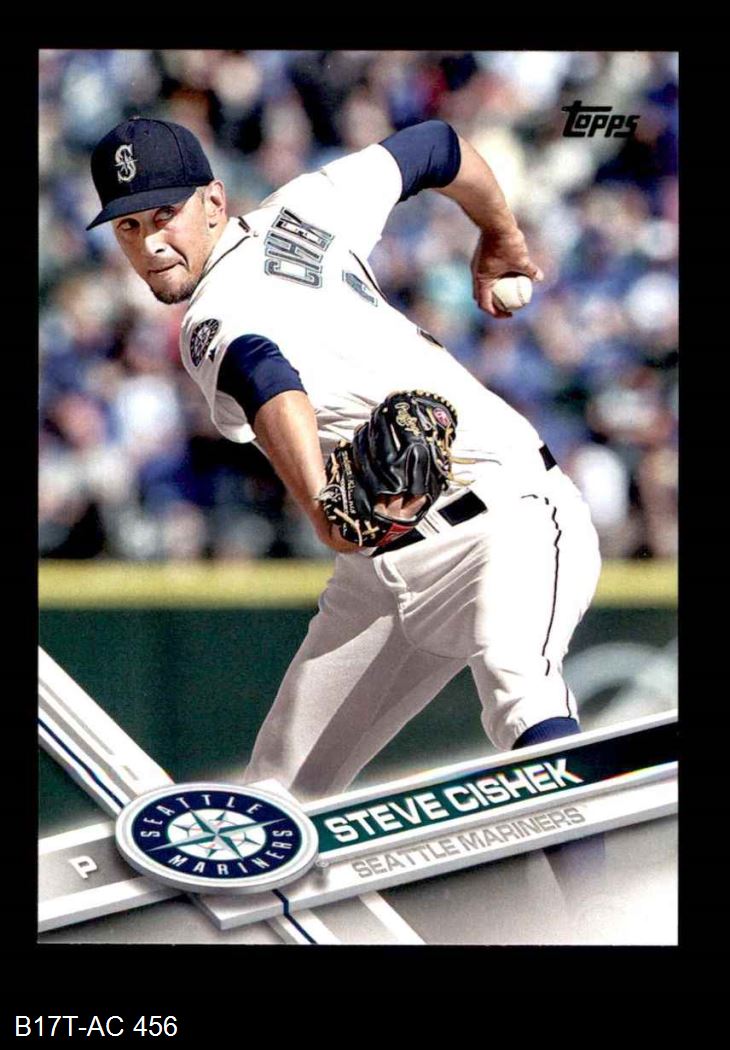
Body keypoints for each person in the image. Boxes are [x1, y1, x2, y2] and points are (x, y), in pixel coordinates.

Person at [87, 116, 604, 903]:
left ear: (214, 202)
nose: (152, 242)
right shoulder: (313, 204)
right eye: (130, 227)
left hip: (508, 516)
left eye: (166, 214)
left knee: (517, 683)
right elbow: (436, 149)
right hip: (380, 571)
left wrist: (321, 505)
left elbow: (267, 379)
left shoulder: (209, 319)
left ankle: (605, 913)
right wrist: (498, 232)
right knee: (272, 807)